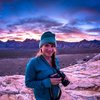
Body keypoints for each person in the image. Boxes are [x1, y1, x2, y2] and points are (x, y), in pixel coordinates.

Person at [25, 31, 62, 100]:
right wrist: (47, 82)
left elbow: (56, 74)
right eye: (46, 45)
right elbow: (28, 83)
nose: (50, 49)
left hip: (56, 97)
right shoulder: (34, 62)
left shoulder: (55, 60)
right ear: (41, 47)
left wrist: (62, 78)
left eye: (52, 46)